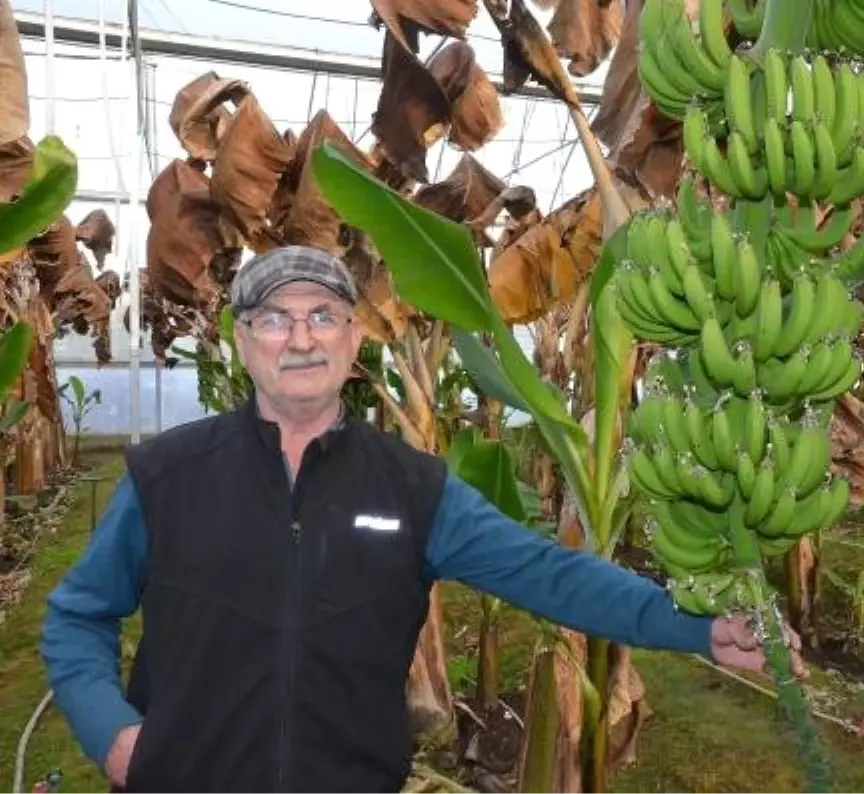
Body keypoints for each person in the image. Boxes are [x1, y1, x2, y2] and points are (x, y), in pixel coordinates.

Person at [40, 245, 805, 794]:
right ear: (243, 344)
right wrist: (115, 737)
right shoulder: (167, 475)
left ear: (353, 340)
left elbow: (548, 575)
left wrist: (698, 628)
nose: (301, 337)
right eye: (274, 318)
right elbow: (77, 617)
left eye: (324, 316)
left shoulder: (413, 487)